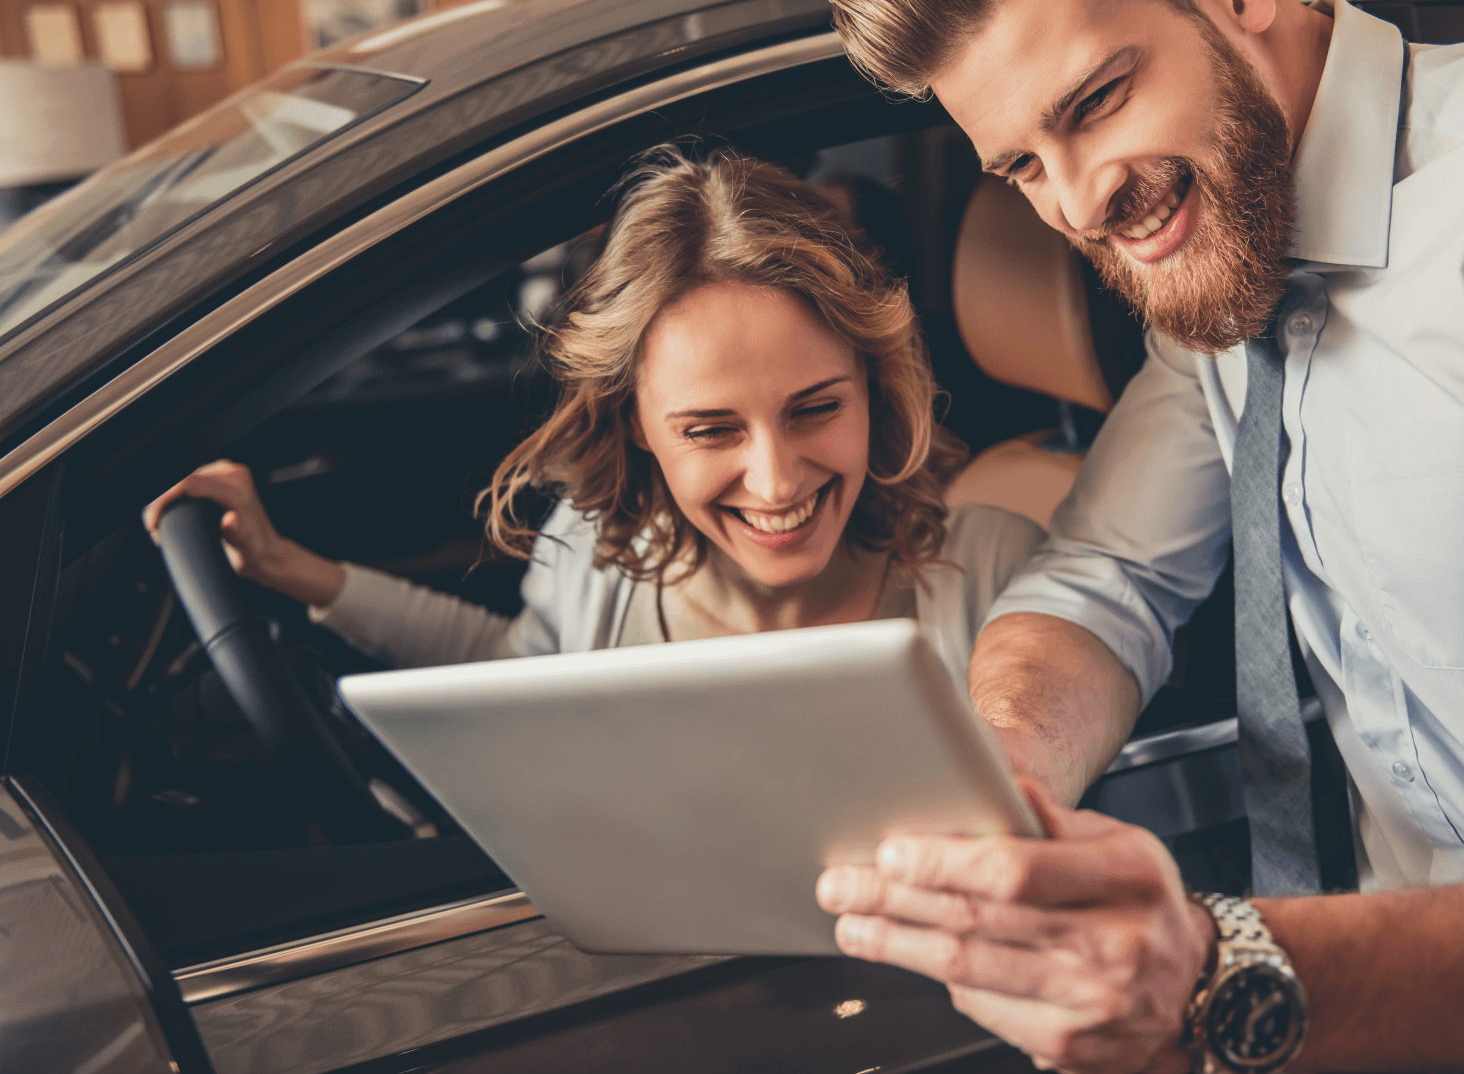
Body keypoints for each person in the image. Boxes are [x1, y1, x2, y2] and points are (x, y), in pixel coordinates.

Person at [812, 0, 1464, 1074]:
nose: (1081, 202)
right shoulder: (1217, 258)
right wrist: (1003, 778)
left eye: (1095, 101)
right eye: (1023, 165)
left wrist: (1220, 967)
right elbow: (1102, 577)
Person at [145, 148, 1043, 689]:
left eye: (815, 409)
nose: (775, 479)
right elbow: (524, 677)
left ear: (874, 387)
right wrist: (292, 570)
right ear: (637, 423)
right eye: (710, 429)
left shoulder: (993, 576)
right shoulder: (594, 553)